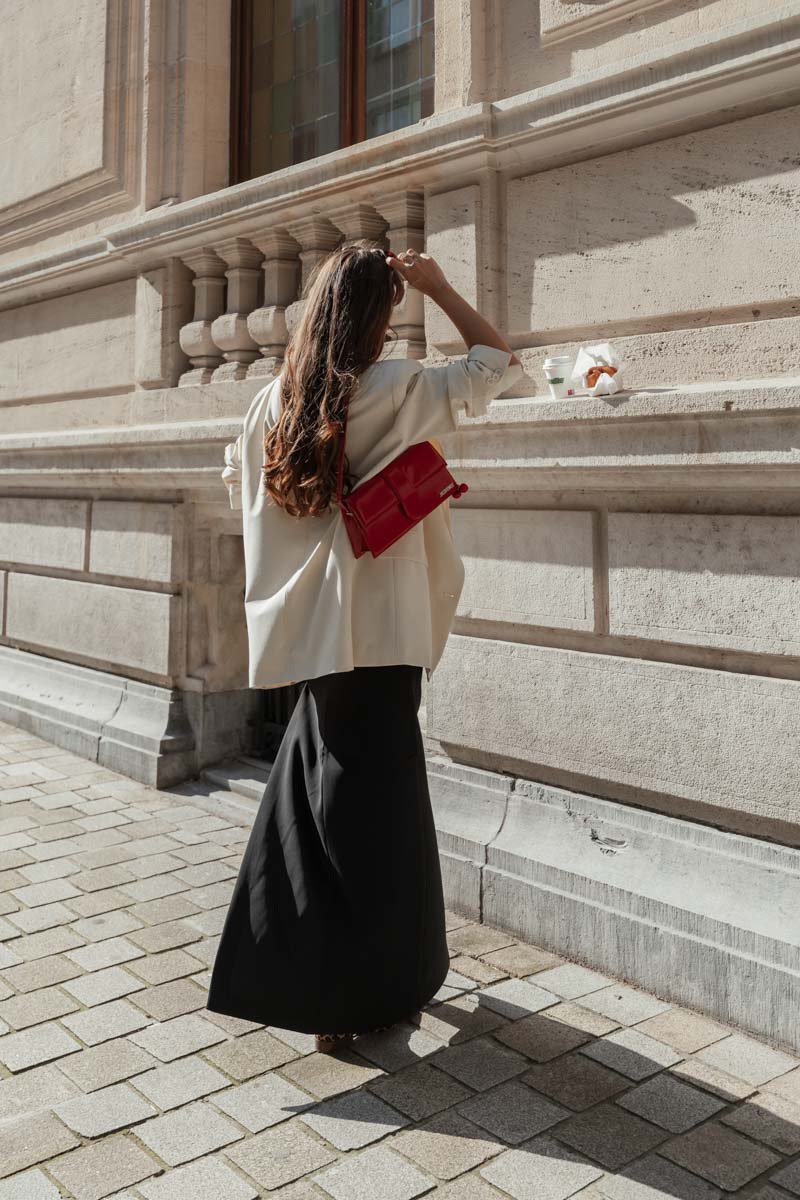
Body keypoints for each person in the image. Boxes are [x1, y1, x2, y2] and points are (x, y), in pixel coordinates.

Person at [206, 241, 523, 1053]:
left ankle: (291, 973)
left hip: (308, 633)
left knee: (314, 803)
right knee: (376, 815)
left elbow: (242, 494)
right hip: (380, 633)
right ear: (380, 317)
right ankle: (363, 993)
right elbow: (497, 365)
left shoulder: (270, 403)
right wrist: (443, 286)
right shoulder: (395, 385)